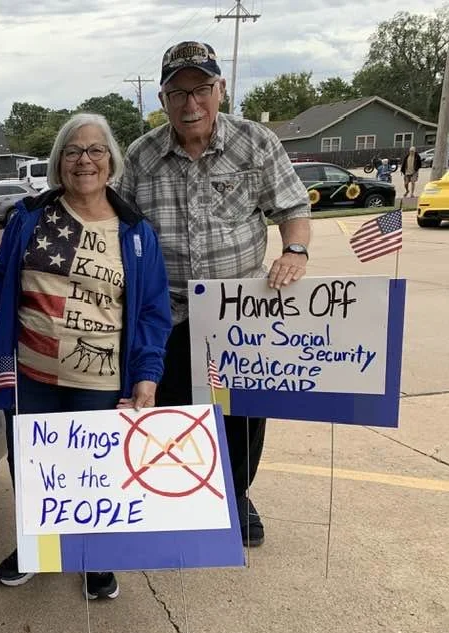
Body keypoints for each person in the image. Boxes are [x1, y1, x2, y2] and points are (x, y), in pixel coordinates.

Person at [0, 113, 172, 600]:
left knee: (91, 471)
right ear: (58, 162)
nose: (85, 160)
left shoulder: (135, 232)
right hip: (28, 374)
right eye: (73, 151)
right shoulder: (31, 217)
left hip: (100, 380)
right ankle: (37, 546)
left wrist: (146, 375)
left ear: (111, 162)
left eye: (96, 150)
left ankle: (93, 555)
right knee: (33, 469)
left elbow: (152, 311)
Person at [117, 41, 312, 548]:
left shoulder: (256, 142)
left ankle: (237, 494)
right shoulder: (141, 157)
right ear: (161, 98)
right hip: (170, 312)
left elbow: (293, 206)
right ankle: (180, 494)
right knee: (174, 410)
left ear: (220, 89)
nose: (190, 103)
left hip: (240, 313)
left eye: (201, 89)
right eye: (177, 92)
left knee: (243, 413)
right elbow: (114, 223)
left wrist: (294, 251)